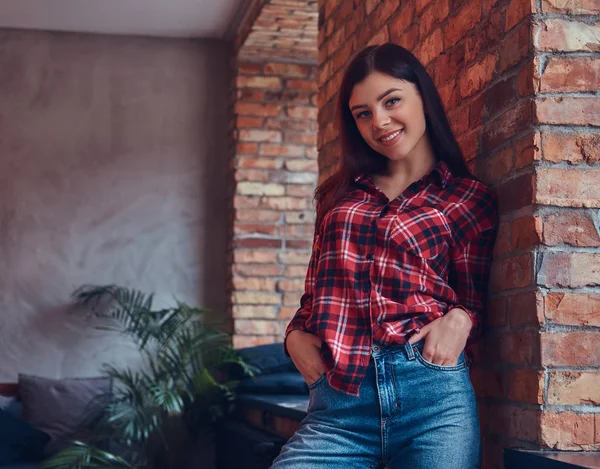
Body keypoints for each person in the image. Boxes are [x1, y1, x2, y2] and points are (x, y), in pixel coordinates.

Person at [271, 43, 498, 469]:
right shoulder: (337, 197)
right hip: (339, 407)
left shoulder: (469, 199)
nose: (379, 122)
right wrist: (294, 337)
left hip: (432, 402)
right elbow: (315, 293)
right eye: (362, 113)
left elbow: (473, 301)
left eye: (391, 101)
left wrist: (462, 318)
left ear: (422, 98)